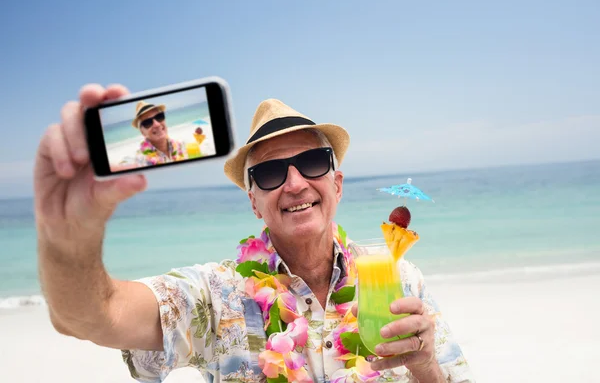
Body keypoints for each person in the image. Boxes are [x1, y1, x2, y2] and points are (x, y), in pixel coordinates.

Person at [35, 84, 475, 383]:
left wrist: (427, 368)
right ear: (253, 201)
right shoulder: (216, 296)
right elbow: (92, 316)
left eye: (313, 164)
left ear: (336, 184)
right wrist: (66, 240)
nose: (296, 183)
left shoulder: (402, 279)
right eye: (269, 172)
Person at [118, 100, 187, 168]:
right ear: (142, 132)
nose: (157, 124)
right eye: (148, 122)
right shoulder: (140, 160)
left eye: (159, 117)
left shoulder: (181, 146)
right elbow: (125, 163)